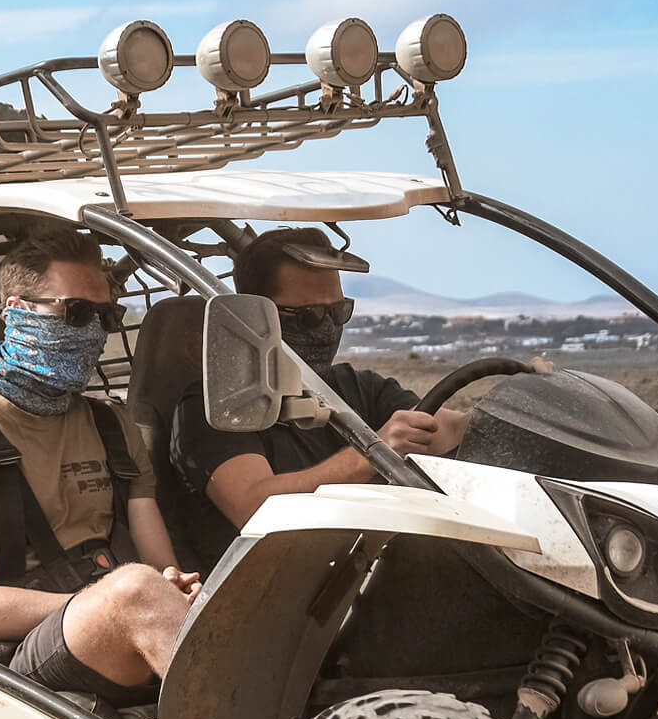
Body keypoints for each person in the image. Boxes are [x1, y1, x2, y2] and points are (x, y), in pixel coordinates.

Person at [0, 233, 198, 700]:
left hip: (124, 617)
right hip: (27, 656)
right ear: (18, 311)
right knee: (136, 589)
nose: (94, 331)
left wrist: (168, 590)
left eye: (106, 316)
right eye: (77, 313)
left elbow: (161, 567)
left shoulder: (112, 425)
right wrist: (114, 603)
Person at [171, 227, 469, 537]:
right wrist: (374, 453)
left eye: (338, 311)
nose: (327, 329)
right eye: (310, 315)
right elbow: (253, 506)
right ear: (255, 319)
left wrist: (514, 396)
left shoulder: (355, 387)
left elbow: (446, 429)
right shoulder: (214, 406)